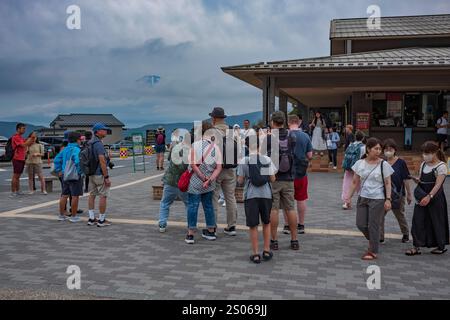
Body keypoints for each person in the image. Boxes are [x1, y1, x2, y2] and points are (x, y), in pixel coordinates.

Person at [345, 138, 394, 260]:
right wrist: (348, 197)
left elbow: (388, 183)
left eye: (379, 149)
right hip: (363, 197)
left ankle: (373, 251)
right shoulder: (360, 163)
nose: (378, 151)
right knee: (360, 224)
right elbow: (355, 181)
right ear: (368, 149)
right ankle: (374, 239)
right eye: (375, 149)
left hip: (378, 198)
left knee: (373, 225)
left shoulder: (384, 164)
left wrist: (388, 199)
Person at [260, 111, 299, 251]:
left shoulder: (269, 139)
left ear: (272, 122)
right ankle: (294, 240)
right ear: (284, 122)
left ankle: (274, 240)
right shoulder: (292, 136)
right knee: (290, 208)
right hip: (289, 178)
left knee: (274, 209)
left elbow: (262, 157)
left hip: (274, 178)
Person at [237, 135, 277, 264]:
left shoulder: (245, 160)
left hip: (251, 195)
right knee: (266, 223)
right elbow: (272, 179)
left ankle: (255, 254)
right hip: (266, 195)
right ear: (260, 145)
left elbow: (240, 181)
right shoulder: (266, 159)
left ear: (248, 146)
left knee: (253, 225)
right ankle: (266, 250)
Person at [406, 142, 449, 256]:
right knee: (418, 220)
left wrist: (429, 196)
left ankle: (440, 246)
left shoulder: (442, 166)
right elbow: (421, 179)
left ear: (435, 152)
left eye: (427, 153)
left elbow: (438, 185)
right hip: (421, 195)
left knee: (436, 220)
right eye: (424, 153)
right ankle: (416, 246)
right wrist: (416, 180)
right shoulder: (423, 164)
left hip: (435, 197)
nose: (425, 155)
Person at [185, 121, 222, 244]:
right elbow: (219, 168)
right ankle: (211, 230)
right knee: (208, 206)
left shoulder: (194, 145)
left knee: (193, 206)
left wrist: (202, 177)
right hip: (209, 183)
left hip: (195, 181)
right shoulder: (215, 147)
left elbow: (193, 165)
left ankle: (190, 234)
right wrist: (209, 180)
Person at [210, 107, 239, 236]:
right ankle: (231, 226)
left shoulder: (212, 132)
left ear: (214, 118)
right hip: (231, 169)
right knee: (230, 198)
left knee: (214, 198)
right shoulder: (232, 131)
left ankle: (213, 226)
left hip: (216, 169)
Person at [283, 115, 313, 235]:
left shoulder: (284, 135)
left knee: (286, 201)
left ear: (288, 123)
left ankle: (287, 225)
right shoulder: (305, 136)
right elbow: (310, 155)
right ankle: (301, 225)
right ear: (299, 122)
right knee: (301, 199)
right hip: (301, 172)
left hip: (286, 173)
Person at [380, 139, 412, 243]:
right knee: (380, 216)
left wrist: (409, 194)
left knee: (400, 215)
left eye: (390, 149)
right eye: (386, 149)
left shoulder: (401, 162)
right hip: (383, 195)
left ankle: (406, 233)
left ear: (395, 150)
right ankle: (380, 237)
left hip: (398, 194)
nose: (388, 151)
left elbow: (406, 179)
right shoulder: (382, 162)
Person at [158, 132, 190, 233]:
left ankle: (162, 224)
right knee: (188, 204)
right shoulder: (190, 151)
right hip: (183, 183)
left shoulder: (174, 148)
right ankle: (191, 224)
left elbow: (169, 162)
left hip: (170, 181)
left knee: (165, 203)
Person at [54, 132, 84, 223]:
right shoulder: (76, 149)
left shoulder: (65, 149)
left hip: (64, 175)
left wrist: (59, 170)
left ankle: (61, 215)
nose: (81, 141)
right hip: (74, 176)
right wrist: (80, 172)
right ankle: (73, 216)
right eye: (80, 139)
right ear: (77, 140)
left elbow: (56, 160)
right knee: (75, 196)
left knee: (64, 195)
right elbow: (78, 161)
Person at [87, 123, 112, 227]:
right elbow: (102, 161)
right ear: (97, 131)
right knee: (103, 196)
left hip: (90, 173)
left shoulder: (90, 142)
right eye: (103, 129)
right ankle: (101, 220)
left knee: (92, 195)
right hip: (99, 174)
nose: (106, 131)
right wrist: (106, 177)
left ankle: (91, 218)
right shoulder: (98, 144)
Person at [341, 131, 366, 210]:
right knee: (361, 184)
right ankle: (363, 200)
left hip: (349, 167)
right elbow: (364, 157)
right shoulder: (363, 147)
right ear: (363, 138)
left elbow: (345, 155)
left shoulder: (350, 145)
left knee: (347, 184)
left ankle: (346, 202)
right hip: (359, 167)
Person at [10, 123, 34, 197]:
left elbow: (28, 144)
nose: (24, 130)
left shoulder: (20, 137)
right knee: (15, 176)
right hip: (17, 158)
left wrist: (32, 139)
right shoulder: (15, 137)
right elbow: (23, 145)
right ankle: (13, 191)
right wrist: (30, 139)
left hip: (22, 158)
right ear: (18, 129)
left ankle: (17, 190)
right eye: (23, 128)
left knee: (18, 176)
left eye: (24, 128)